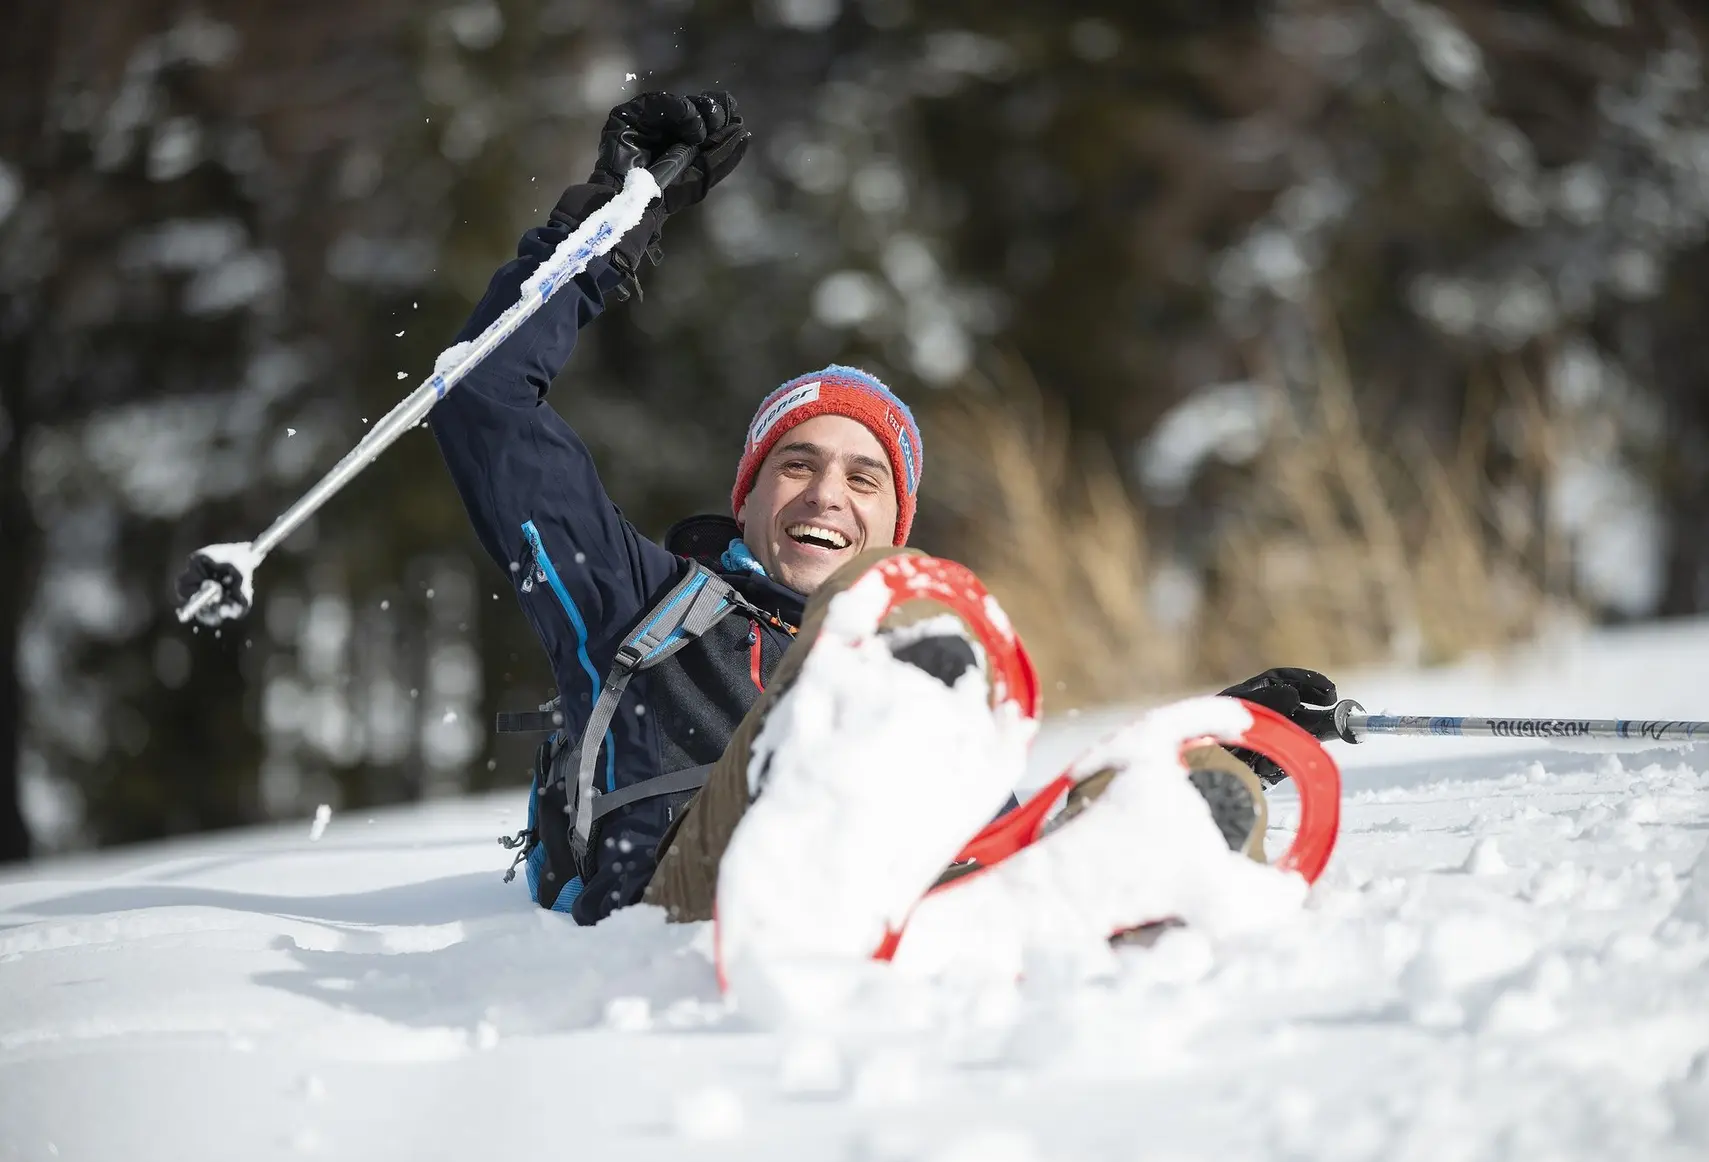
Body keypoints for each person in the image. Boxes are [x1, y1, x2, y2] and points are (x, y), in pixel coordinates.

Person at [349, 91, 1346, 931]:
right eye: (797, 466)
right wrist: (606, 228)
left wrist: (1235, 737)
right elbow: (482, 399)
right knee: (893, 672)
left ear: (896, 522)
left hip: (906, 920)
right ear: (747, 497)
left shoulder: (917, 674)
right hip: (685, 919)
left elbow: (1006, 837)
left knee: (1096, 781)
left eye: (865, 479)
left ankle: (1185, 850)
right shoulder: (637, 606)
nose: (827, 494)